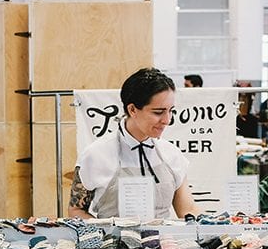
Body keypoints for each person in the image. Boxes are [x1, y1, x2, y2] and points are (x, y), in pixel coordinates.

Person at [70, 68, 199, 219]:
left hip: (164, 235)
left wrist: (210, 224)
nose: (167, 120)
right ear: (132, 109)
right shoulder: (96, 155)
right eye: (158, 112)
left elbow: (188, 210)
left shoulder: (171, 154)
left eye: (171, 111)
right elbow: (76, 211)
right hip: (111, 235)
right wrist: (102, 231)